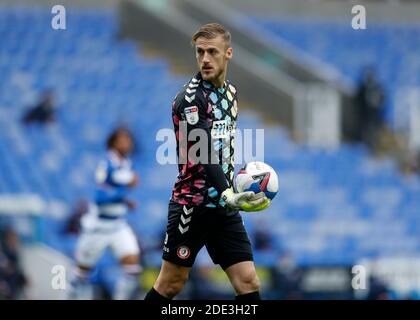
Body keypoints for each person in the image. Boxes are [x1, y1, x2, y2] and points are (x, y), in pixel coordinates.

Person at [144, 23, 270, 301]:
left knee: (248, 280)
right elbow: (202, 153)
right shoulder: (190, 100)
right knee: (171, 284)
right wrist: (227, 192)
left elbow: (224, 148)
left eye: (212, 52)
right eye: (199, 52)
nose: (204, 59)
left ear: (228, 53)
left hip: (224, 206)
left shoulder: (231, 94)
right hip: (193, 206)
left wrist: (236, 183)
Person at [68, 127, 142, 300]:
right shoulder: (106, 164)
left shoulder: (125, 164)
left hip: (118, 225)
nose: (128, 143)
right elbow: (100, 197)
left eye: (129, 139)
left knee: (132, 268)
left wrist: (125, 201)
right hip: (98, 227)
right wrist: (123, 196)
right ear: (113, 142)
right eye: (123, 139)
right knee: (81, 274)